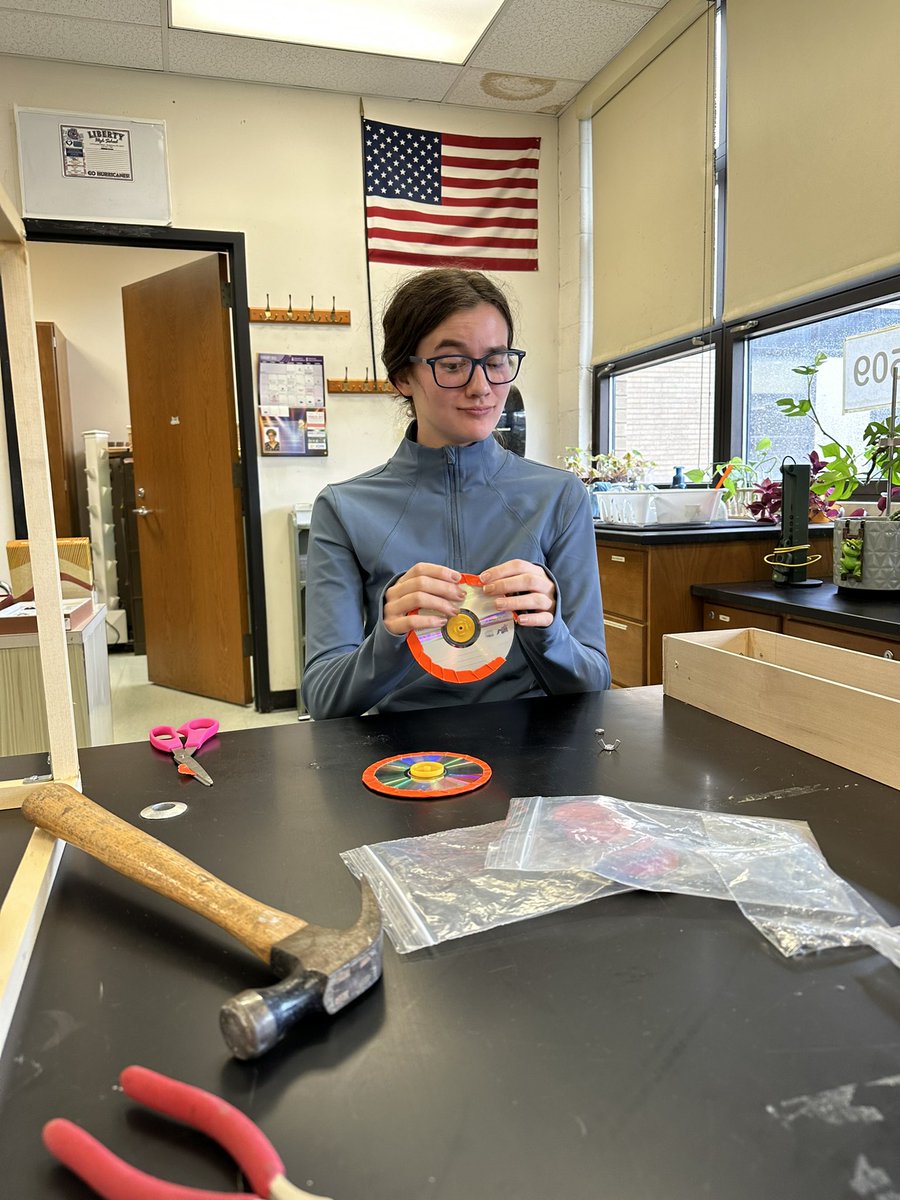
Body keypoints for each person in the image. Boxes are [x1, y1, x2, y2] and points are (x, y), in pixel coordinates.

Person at [301, 268, 610, 719]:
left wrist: (547, 630)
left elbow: (595, 681)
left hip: (535, 748)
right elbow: (324, 698)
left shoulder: (560, 497)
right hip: (401, 751)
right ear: (403, 377)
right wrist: (390, 637)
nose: (482, 387)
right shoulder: (343, 509)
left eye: (497, 361)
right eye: (452, 364)